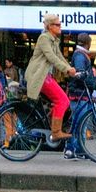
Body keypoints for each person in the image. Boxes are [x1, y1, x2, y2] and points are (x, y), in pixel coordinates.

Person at [26, 15, 71, 144]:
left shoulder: (54, 40)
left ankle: (53, 125)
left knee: (61, 101)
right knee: (62, 100)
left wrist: (71, 69)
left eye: (60, 24)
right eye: (57, 25)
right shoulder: (44, 38)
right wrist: (66, 69)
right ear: (49, 26)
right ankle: (56, 132)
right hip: (39, 77)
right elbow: (52, 57)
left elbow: (60, 57)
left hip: (45, 76)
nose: (60, 26)